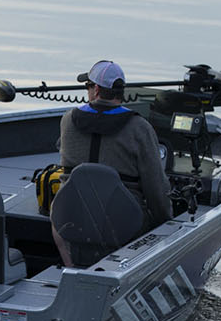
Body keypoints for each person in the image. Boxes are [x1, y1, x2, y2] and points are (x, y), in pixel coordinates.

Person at [57, 59, 171, 230]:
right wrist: (166, 220)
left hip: (73, 215)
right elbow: (155, 187)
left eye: (87, 86)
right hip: (122, 221)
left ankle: (68, 258)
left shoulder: (68, 120)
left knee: (55, 220)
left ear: (96, 90)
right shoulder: (139, 127)